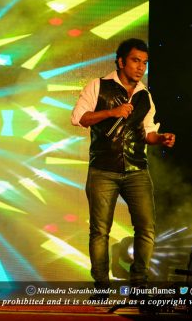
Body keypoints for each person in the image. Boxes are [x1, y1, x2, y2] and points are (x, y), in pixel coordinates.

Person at [71, 38, 175, 291]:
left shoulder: (144, 95)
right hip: (103, 169)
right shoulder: (98, 86)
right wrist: (111, 112)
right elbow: (79, 118)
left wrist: (161, 138)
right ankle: (101, 286)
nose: (141, 67)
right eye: (135, 61)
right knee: (100, 231)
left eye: (145, 63)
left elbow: (147, 132)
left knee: (146, 228)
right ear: (120, 61)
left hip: (137, 169)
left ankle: (139, 283)